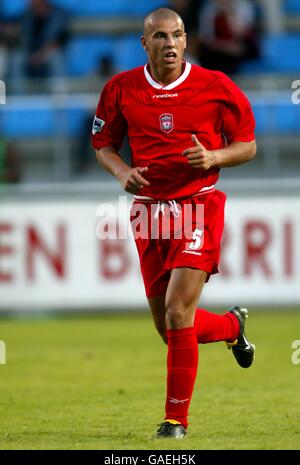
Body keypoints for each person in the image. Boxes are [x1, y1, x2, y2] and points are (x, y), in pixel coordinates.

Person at [91, 8, 256, 439]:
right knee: (170, 328)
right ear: (144, 43)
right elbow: (104, 145)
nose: (170, 44)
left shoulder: (216, 86)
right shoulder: (121, 88)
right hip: (148, 210)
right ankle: (232, 326)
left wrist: (215, 157)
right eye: (161, 37)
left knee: (179, 310)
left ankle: (174, 422)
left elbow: (248, 145)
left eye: (178, 35)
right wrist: (121, 172)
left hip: (199, 204)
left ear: (187, 40)